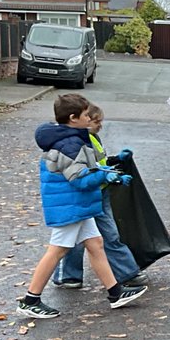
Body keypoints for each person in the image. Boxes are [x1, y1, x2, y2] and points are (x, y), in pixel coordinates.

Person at [18, 94, 148, 319]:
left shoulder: (72, 139)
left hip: (77, 204)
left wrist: (108, 171)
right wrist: (109, 176)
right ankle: (31, 299)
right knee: (57, 250)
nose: (90, 118)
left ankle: (116, 293)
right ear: (73, 118)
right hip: (70, 206)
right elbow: (80, 179)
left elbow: (88, 169)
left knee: (96, 244)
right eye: (86, 115)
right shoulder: (70, 144)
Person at [51, 104, 147, 290]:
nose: (99, 125)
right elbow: (81, 173)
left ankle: (126, 274)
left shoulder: (93, 139)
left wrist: (116, 161)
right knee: (74, 240)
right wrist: (108, 176)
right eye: (96, 121)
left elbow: (97, 164)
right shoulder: (74, 143)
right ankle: (68, 276)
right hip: (82, 195)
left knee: (108, 235)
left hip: (98, 192)